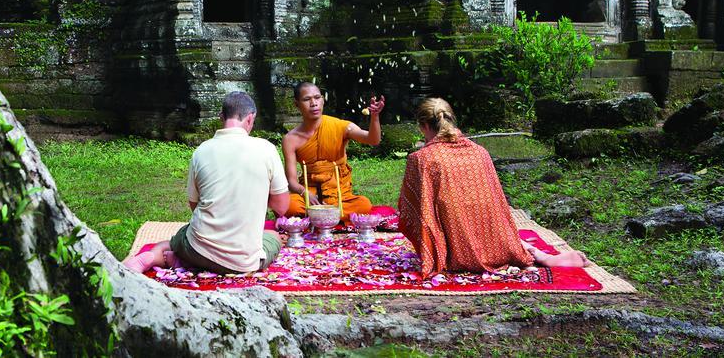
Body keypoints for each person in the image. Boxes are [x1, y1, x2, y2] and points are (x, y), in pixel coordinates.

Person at [398, 97, 589, 276]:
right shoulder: (480, 151)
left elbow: (414, 210)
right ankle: (533, 252)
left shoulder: (421, 159)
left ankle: (531, 252)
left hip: (459, 253)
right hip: (497, 241)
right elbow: (497, 206)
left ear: (423, 126)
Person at [122, 91, 290, 274]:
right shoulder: (266, 149)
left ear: (221, 117)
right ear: (250, 119)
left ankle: (155, 256)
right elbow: (281, 207)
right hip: (241, 262)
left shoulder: (201, 151)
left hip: (197, 249)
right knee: (272, 236)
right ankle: (180, 261)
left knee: (175, 240)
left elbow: (194, 205)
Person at [282, 81, 385, 222]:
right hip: (310, 192)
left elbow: (373, 140)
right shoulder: (290, 139)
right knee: (288, 206)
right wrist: (305, 193)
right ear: (297, 104)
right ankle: (330, 215)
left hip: (339, 191)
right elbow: (292, 181)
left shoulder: (340, 126)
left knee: (363, 205)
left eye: (317, 98)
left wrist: (374, 117)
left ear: (323, 100)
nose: (313, 103)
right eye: (307, 99)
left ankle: (318, 217)